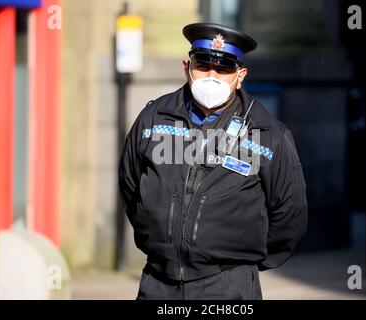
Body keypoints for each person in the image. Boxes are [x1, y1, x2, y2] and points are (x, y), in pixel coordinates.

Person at [118, 22, 308, 300]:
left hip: (228, 286)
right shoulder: (153, 119)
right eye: (203, 65)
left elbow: (290, 213)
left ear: (240, 75)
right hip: (158, 283)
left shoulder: (268, 134)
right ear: (187, 67)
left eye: (224, 69)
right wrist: (160, 241)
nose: (211, 75)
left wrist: (242, 265)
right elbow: (130, 184)